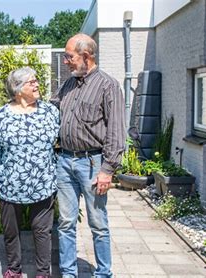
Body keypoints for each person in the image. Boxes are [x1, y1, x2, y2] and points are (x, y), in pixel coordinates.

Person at [50, 33, 126, 278]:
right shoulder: (68, 84)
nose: (65, 61)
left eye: (69, 56)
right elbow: (50, 111)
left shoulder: (108, 85)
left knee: (98, 224)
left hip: (93, 164)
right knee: (65, 223)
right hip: (65, 162)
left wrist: (107, 170)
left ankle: (103, 274)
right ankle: (68, 273)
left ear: (86, 56)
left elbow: (116, 130)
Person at [0, 67, 60, 278]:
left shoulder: (49, 112)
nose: (37, 85)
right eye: (31, 82)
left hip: (42, 184)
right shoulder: (2, 115)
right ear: (18, 89)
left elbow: (63, 141)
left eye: (36, 81)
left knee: (42, 232)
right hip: (10, 185)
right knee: (11, 233)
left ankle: (43, 274)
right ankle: (14, 271)